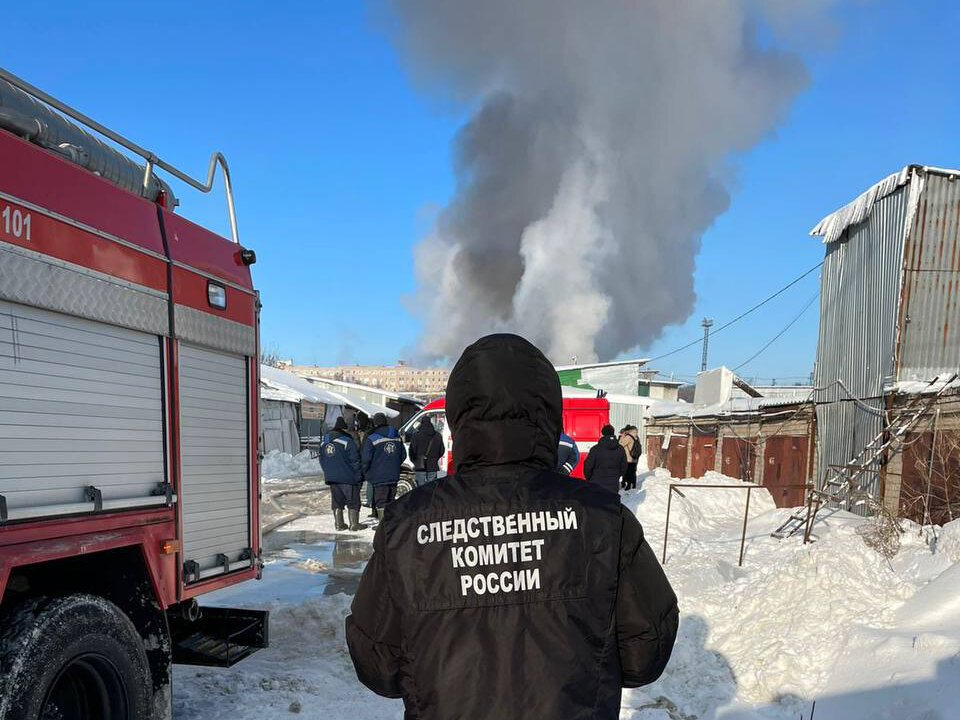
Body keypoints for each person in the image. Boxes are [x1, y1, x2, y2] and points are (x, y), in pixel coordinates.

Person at [346, 334, 678, 720]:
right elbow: (644, 654)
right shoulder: (603, 518)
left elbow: (377, 666)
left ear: (459, 415)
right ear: (549, 412)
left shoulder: (406, 526)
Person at [319, 416, 363, 531]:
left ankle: (339, 524)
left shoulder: (325, 442)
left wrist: (328, 472)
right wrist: (359, 476)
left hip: (332, 478)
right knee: (353, 501)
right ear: (343, 429)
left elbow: (322, 460)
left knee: (337, 501)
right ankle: (354, 524)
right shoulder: (347, 441)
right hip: (348, 477)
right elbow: (355, 460)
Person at [361, 412, 407, 520]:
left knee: (381, 501)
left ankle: (383, 525)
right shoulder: (396, 436)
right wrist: (394, 464)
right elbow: (403, 455)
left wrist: (366, 471)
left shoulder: (372, 438)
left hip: (379, 475)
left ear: (375, 423)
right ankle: (390, 523)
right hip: (393, 474)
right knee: (390, 500)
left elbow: (366, 459)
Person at [583, 424, 627, 495]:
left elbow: (588, 466)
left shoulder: (595, 449)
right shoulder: (620, 449)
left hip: (596, 483)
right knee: (611, 504)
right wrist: (617, 475)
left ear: (602, 433)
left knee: (597, 504)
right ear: (613, 433)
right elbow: (624, 465)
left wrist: (589, 478)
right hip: (613, 483)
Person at [409, 416, 444, 486]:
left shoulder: (416, 435)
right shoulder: (438, 435)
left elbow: (412, 450)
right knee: (431, 487)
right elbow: (442, 451)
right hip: (433, 465)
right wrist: (435, 459)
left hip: (419, 465)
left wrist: (415, 461)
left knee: (420, 487)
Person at [619, 424, 642, 490]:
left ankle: (628, 485)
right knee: (633, 471)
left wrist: (622, 437)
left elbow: (620, 445)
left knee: (627, 472)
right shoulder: (636, 437)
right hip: (635, 458)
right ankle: (634, 484)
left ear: (630, 431)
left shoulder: (628, 437)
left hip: (628, 458)